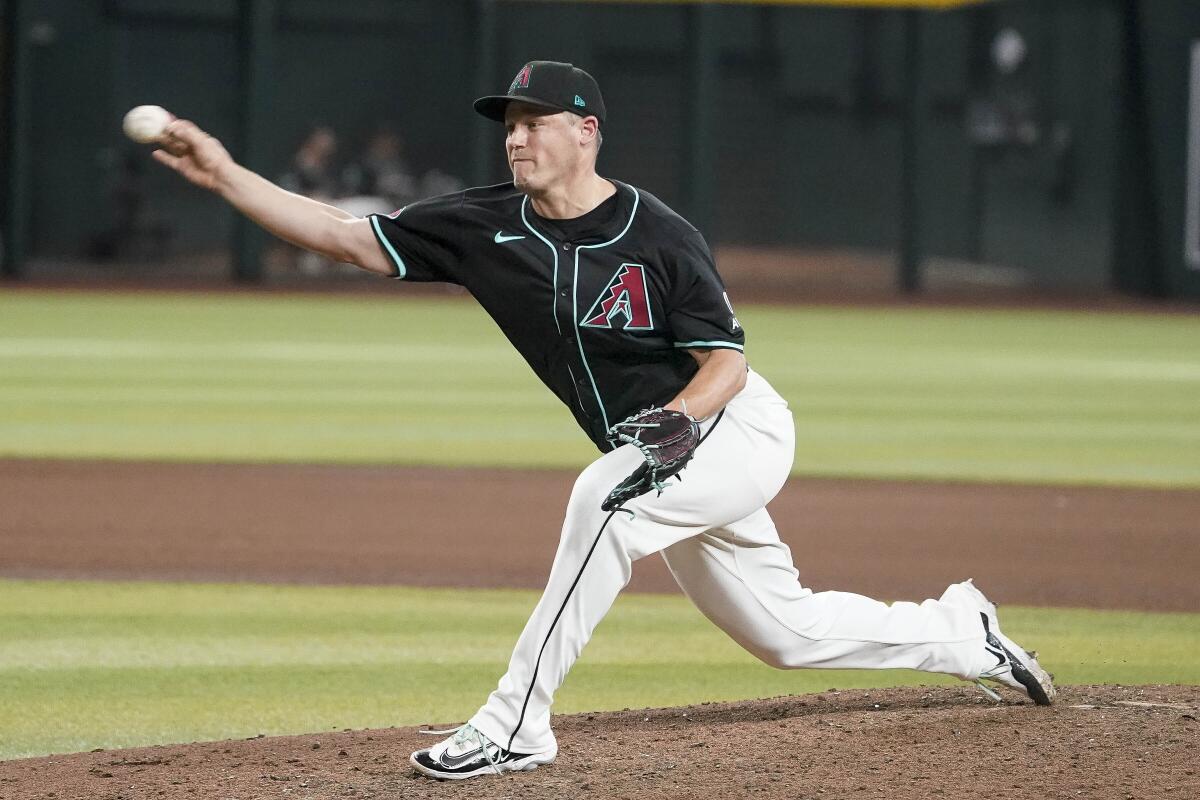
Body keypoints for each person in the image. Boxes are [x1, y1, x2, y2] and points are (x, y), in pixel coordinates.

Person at [151, 60, 1055, 782]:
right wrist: (226, 174)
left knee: (606, 496)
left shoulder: (658, 232)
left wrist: (673, 424)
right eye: (509, 125)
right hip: (665, 453)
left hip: (732, 431)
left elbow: (727, 364)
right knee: (787, 635)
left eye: (534, 122)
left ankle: (514, 725)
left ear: (586, 131)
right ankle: (960, 633)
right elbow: (349, 236)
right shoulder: (481, 226)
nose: (516, 139)